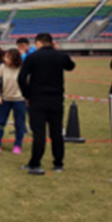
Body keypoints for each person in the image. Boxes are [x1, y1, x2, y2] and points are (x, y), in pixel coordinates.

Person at [17, 33, 76, 175]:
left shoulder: (33, 57)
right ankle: (58, 163)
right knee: (56, 132)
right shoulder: (60, 56)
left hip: (37, 98)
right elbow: (70, 66)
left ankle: (35, 162)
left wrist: (27, 95)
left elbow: (21, 78)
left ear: (38, 43)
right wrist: (59, 51)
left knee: (39, 133)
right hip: (56, 98)